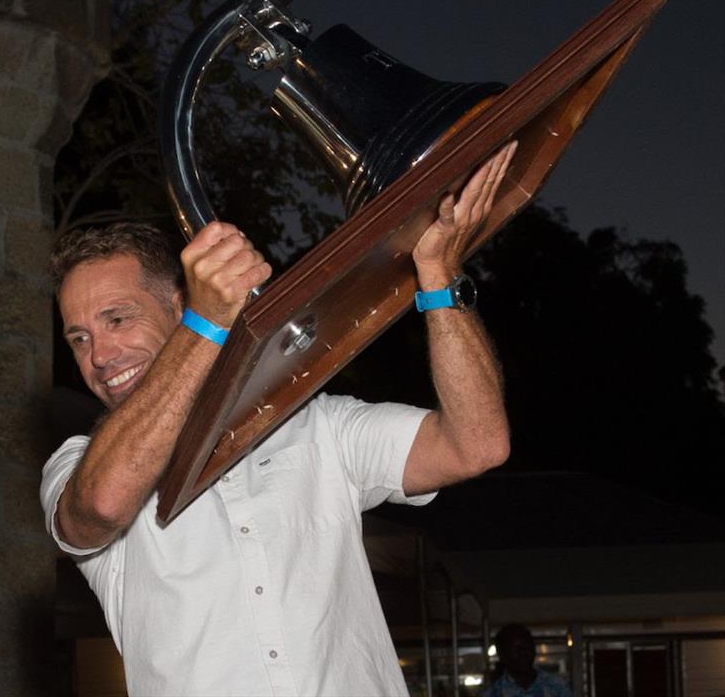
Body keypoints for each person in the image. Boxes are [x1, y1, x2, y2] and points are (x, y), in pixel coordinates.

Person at [41, 142, 517, 696]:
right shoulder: (76, 465)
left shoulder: (315, 424)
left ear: (176, 306)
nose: (99, 355)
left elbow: (477, 444)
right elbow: (103, 502)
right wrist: (208, 324)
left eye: (117, 319)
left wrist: (438, 276)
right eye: (80, 338)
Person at [485, 624, 574, 697]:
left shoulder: (557, 688)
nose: (524, 652)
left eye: (527, 646)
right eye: (516, 648)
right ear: (502, 655)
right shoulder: (493, 693)